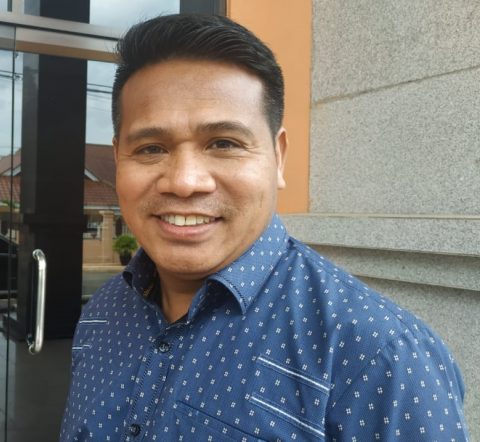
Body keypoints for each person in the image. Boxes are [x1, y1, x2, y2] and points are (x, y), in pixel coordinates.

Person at [60, 14, 469, 441]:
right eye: (151, 148)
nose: (184, 181)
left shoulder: (379, 355)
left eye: (224, 143)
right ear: (119, 159)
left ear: (279, 157)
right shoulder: (103, 312)